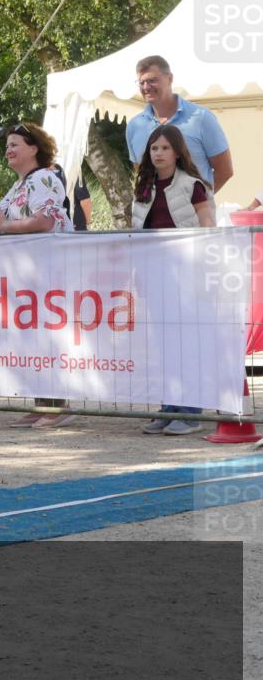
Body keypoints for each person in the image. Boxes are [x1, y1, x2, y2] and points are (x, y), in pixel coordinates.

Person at [0, 122, 75, 429]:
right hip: (26, 275)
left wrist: (2, 226)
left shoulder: (44, 178)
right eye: (7, 145)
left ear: (34, 148)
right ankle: (41, 402)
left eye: (15, 144)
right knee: (32, 339)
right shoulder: (18, 186)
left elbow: (45, 220)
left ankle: (58, 405)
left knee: (48, 337)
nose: (8, 149)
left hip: (47, 272)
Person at [131, 125, 216, 435]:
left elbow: (207, 223)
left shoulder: (192, 185)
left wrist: (202, 265)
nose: (159, 153)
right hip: (154, 273)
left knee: (186, 342)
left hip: (186, 273)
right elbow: (139, 231)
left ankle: (191, 411)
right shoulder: (144, 187)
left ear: (177, 152)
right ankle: (169, 407)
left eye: (165, 148)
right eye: (154, 148)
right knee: (165, 342)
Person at [126, 55, 233, 194]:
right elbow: (141, 174)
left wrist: (201, 202)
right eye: (141, 82)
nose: (146, 87)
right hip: (154, 213)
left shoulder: (201, 118)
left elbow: (225, 171)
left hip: (195, 214)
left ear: (169, 78)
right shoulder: (134, 126)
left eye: (152, 80)